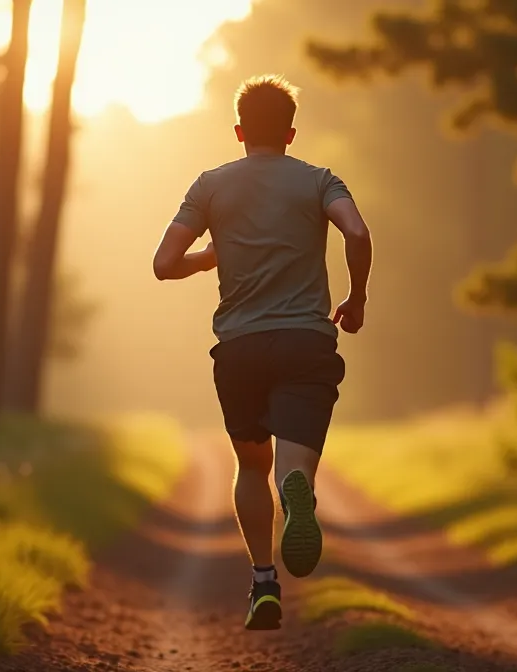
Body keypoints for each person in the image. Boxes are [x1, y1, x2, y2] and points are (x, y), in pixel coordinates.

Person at [151, 74, 374, 631]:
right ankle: (296, 491)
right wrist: (357, 297)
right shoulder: (321, 180)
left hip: (241, 347)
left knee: (251, 464)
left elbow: (163, 264)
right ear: (291, 133)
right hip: (306, 341)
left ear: (239, 130)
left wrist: (209, 257)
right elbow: (359, 233)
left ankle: (263, 582)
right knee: (291, 466)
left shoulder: (210, 186)